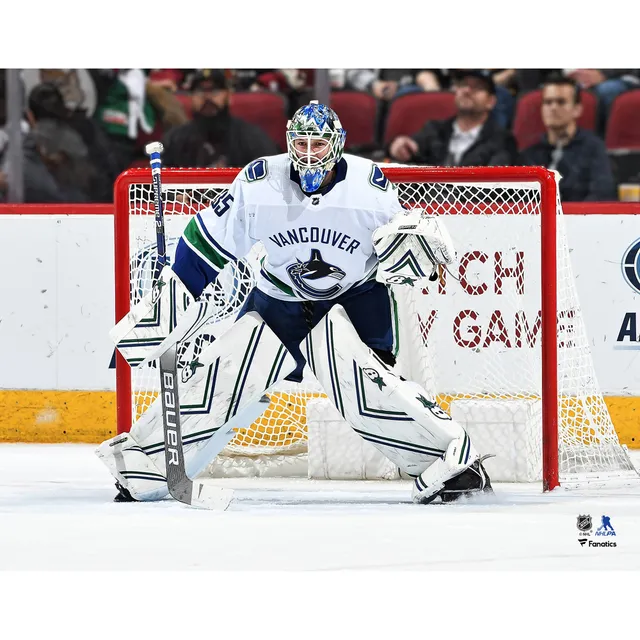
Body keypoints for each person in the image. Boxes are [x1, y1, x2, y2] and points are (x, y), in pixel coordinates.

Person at [99, 101, 493, 507]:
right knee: (225, 376)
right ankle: (146, 464)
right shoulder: (259, 183)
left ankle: (455, 462)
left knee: (369, 390)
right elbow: (207, 241)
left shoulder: (368, 189)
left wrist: (415, 254)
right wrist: (164, 312)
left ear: (336, 145)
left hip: (353, 298)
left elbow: (399, 251)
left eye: (318, 145)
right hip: (279, 299)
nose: (308, 154)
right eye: (300, 143)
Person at [387, 70, 517, 166]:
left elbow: (496, 186)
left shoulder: (502, 140)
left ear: (491, 101)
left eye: (477, 87)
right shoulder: (435, 129)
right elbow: (409, 147)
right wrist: (399, 146)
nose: (467, 90)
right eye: (462, 85)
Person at [518, 74, 616, 202]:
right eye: (548, 102)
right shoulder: (531, 152)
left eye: (561, 102)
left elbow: (602, 194)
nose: (553, 108)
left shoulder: (594, 148)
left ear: (577, 109)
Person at [162, 69, 280, 168]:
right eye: (200, 91)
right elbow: (158, 184)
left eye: (215, 90)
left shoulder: (252, 137)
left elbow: (270, 176)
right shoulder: (174, 139)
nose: (207, 96)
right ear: (190, 97)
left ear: (229, 95)